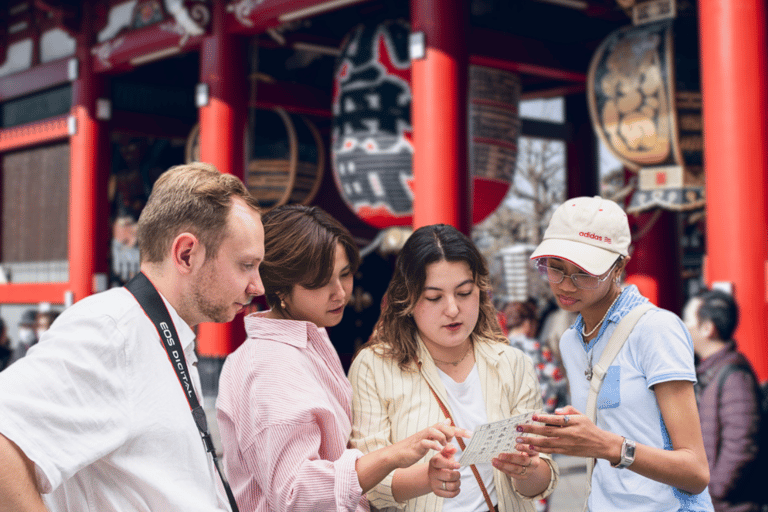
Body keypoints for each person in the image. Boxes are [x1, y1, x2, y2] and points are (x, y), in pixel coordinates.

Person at [0, 161, 265, 511]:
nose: (257, 286)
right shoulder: (113, 331)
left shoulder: (157, 334)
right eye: (246, 265)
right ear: (187, 254)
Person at [216, 205, 465, 512]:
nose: (340, 292)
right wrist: (390, 455)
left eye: (345, 274)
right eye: (320, 282)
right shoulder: (270, 366)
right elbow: (295, 493)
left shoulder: (309, 338)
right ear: (280, 288)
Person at [517, 196, 713, 511]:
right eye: (556, 269)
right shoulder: (572, 341)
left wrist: (608, 445)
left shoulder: (655, 329)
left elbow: (696, 472)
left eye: (584, 272)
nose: (566, 285)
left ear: (618, 266)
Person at [349, 224, 559, 512]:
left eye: (464, 292)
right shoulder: (374, 367)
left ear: (480, 291)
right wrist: (426, 478)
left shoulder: (512, 363)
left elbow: (539, 482)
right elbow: (364, 481)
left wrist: (526, 469)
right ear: (407, 298)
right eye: (434, 297)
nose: (452, 309)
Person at [684, 289, 763, 512]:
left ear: (707, 328)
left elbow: (741, 446)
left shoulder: (734, 377)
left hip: (729, 505)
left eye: (688, 320)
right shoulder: (712, 371)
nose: (684, 326)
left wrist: (713, 492)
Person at [504, 300, 568, 416]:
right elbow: (558, 382)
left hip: (509, 418)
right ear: (527, 323)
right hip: (539, 417)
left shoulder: (498, 350)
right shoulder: (537, 348)